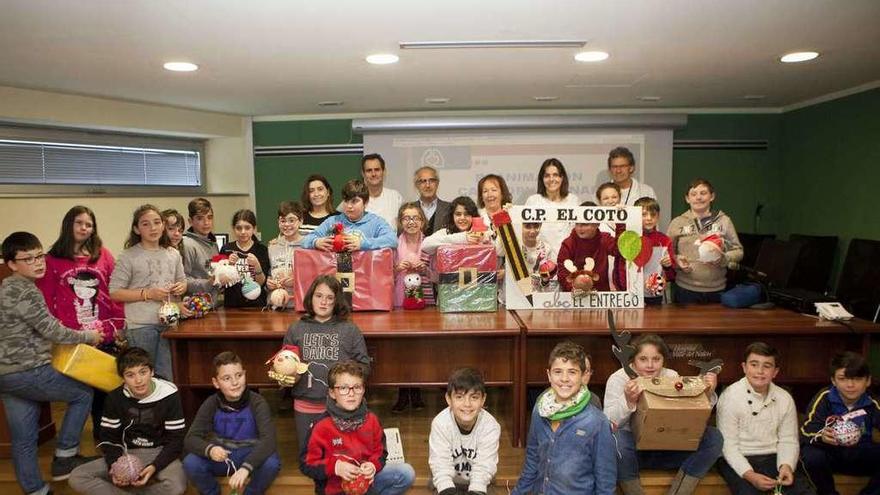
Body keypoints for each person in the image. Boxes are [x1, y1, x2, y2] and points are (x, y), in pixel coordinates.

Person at [0, 231, 101, 494]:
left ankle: (36, 490)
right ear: (11, 264)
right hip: (28, 370)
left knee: (23, 440)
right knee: (82, 393)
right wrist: (89, 336)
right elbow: (52, 331)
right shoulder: (24, 291)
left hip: (7, 376)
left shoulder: (8, 288)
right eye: (28, 258)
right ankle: (65, 457)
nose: (37, 262)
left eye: (39, 255)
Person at [37, 205, 125, 441]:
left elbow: (115, 290)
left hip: (103, 332)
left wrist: (118, 325)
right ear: (69, 225)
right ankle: (70, 444)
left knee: (105, 389)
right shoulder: (52, 260)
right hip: (71, 337)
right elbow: (46, 299)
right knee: (80, 392)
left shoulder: (103, 254)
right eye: (80, 223)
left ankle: (104, 437)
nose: (85, 228)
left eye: (89, 224)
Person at [604, 334, 722, 495]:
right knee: (616, 440)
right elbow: (608, 423)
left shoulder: (671, 376)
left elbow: (689, 418)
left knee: (713, 437)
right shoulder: (618, 379)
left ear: (663, 360)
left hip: (669, 447)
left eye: (656, 359)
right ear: (633, 360)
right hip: (634, 455)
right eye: (643, 359)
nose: (650, 365)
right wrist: (628, 401)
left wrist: (707, 393)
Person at [69, 347, 187, 495]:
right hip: (126, 453)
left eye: (143, 372)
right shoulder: (114, 398)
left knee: (176, 485)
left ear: (152, 372)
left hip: (159, 451)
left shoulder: (169, 394)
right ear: (123, 377)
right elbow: (108, 438)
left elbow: (176, 440)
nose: (138, 380)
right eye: (130, 375)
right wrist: (115, 466)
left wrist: (155, 466)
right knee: (77, 477)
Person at [282, 275, 371, 461]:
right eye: (318, 296)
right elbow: (285, 363)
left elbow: (365, 367)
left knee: (343, 456)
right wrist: (285, 376)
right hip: (306, 405)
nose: (323, 302)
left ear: (337, 301)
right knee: (310, 459)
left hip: (341, 408)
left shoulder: (350, 329)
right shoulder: (296, 329)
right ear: (311, 297)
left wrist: (347, 379)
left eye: (330, 298)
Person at [512, 341, 615, 495]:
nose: (564, 379)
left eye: (572, 372)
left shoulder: (597, 422)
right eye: (558, 371)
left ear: (583, 376)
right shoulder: (539, 411)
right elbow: (532, 460)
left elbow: (605, 479)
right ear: (549, 375)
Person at [302, 361, 415, 495]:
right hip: (335, 490)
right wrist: (335, 467)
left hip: (366, 484)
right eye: (343, 388)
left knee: (406, 473)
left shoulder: (372, 420)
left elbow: (380, 452)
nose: (351, 393)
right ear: (332, 393)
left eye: (357, 387)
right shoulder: (321, 426)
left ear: (363, 390)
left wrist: (373, 465)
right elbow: (307, 465)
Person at [716, 342, 815, 495]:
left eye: (767, 366)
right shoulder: (730, 397)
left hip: (773, 457)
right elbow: (728, 446)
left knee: (802, 491)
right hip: (738, 457)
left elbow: (788, 439)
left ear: (775, 372)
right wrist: (751, 476)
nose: (760, 371)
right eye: (754, 364)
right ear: (744, 367)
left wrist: (786, 466)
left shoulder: (784, 398)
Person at [183, 351, 281, 495]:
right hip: (223, 455)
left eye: (239, 376)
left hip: (250, 454)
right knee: (190, 463)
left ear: (245, 374)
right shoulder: (211, 403)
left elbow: (269, 440)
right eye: (226, 378)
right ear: (216, 383)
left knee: (272, 464)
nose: (235, 383)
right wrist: (210, 450)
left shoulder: (258, 402)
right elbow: (190, 439)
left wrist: (246, 467)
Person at [109, 204, 187, 380]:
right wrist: (148, 294)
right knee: (143, 377)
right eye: (145, 224)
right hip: (141, 327)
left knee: (168, 376)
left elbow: (182, 281)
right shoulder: (128, 256)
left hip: (170, 323)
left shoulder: (173, 253)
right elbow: (114, 292)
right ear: (137, 229)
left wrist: (181, 287)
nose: (153, 228)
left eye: (157, 222)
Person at [799, 351, 879, 495]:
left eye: (857, 378)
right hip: (831, 454)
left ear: (868, 381)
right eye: (842, 378)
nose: (850, 385)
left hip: (861, 453)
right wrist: (821, 436)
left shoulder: (873, 402)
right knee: (811, 455)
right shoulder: (824, 398)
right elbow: (806, 431)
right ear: (833, 381)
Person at [667, 178, 743, 304]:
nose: (698, 198)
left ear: (712, 196)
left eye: (703, 193)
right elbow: (666, 252)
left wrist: (725, 258)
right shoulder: (677, 223)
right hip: (685, 291)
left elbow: (738, 250)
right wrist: (676, 260)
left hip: (717, 291)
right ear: (687, 199)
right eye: (694, 194)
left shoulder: (724, 221)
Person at [428, 367, 500, 495]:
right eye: (459, 397)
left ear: (483, 400)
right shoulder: (440, 423)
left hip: (480, 482)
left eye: (474, 397)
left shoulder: (490, 426)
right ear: (448, 399)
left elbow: (484, 469)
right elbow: (441, 467)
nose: (467, 404)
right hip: (448, 481)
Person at [302, 179, 397, 251]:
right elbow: (305, 240)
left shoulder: (376, 222)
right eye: (346, 201)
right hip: (337, 273)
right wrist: (316, 242)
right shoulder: (333, 221)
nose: (349, 206)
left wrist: (362, 243)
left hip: (365, 274)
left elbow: (392, 240)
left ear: (366, 202)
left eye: (354, 201)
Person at [556, 201, 622, 292]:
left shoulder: (604, 239)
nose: (579, 228)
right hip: (574, 297)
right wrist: (572, 289)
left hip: (601, 296)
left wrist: (621, 223)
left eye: (585, 224)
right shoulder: (568, 243)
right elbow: (562, 272)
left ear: (597, 224)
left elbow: (619, 249)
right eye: (577, 223)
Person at [524, 158, 581, 255]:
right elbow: (524, 230)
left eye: (555, 175)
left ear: (562, 178)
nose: (551, 179)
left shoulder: (573, 200)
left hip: (570, 259)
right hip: (540, 260)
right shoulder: (533, 201)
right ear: (542, 179)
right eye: (547, 176)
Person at [219, 209, 270, 308]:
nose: (243, 232)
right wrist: (229, 266)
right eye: (239, 228)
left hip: (257, 306)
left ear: (254, 229)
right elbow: (220, 282)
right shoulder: (225, 248)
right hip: (232, 306)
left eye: (247, 228)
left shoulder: (262, 250)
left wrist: (257, 265)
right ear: (233, 229)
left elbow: (261, 283)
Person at [634, 197, 676, 305]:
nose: (649, 218)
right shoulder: (631, 239)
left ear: (658, 217)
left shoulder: (665, 240)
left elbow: (671, 275)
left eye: (653, 215)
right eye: (644, 214)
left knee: (654, 321)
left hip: (654, 294)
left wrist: (668, 266)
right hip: (633, 293)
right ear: (634, 216)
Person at [421, 196, 490, 255]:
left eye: (467, 214)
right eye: (458, 214)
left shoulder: (482, 233)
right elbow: (425, 245)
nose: (462, 218)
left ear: (473, 216)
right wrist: (462, 238)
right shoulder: (445, 232)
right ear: (452, 216)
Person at [266, 201, 304, 307]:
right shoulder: (272, 246)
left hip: (299, 304)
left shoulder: (307, 246)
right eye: (283, 221)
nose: (287, 224)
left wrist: (296, 280)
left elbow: (314, 277)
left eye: (291, 220)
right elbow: (269, 273)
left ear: (301, 221)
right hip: (275, 304)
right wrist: (268, 284)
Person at [182, 197, 219, 298]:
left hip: (213, 304)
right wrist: (209, 283)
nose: (206, 222)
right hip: (196, 307)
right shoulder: (187, 245)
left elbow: (213, 272)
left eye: (209, 217)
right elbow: (184, 280)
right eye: (200, 218)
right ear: (190, 221)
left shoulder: (213, 244)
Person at [357, 153, 403, 232]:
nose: (373, 174)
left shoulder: (395, 197)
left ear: (384, 171)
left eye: (377, 170)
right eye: (369, 170)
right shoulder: (354, 198)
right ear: (363, 174)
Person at [521, 222, 558, 292]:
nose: (532, 231)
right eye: (527, 226)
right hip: (517, 294)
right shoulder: (515, 247)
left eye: (536, 226)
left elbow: (549, 281)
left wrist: (545, 280)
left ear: (540, 226)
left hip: (538, 296)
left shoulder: (546, 248)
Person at [414, 166, 452, 234]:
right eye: (423, 181)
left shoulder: (450, 208)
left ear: (437, 183)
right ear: (417, 185)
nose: (428, 185)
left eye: (431, 180)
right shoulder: (409, 209)